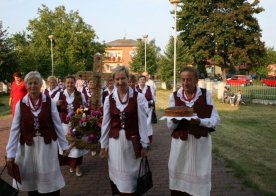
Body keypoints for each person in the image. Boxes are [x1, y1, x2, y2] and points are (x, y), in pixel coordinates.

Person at [6, 71, 70, 196]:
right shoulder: (21, 104)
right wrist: (11, 153)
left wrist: (64, 145)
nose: (33, 85)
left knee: (50, 182)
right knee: (33, 185)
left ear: (41, 84)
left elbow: (57, 124)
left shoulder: (49, 102)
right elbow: (15, 129)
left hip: (47, 146)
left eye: (36, 83)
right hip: (28, 147)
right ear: (26, 85)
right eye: (30, 83)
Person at [167, 66, 220, 196]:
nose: (185, 83)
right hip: (180, 145)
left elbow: (216, 119)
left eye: (189, 80)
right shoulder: (174, 96)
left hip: (200, 144)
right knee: (178, 179)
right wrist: (175, 120)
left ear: (195, 80)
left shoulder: (205, 95)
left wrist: (200, 121)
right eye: (183, 80)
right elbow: (170, 125)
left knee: (199, 180)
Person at [100, 66, 149, 195]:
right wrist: (103, 145)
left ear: (128, 79)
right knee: (118, 178)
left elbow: (143, 123)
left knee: (132, 178)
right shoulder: (109, 99)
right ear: (113, 80)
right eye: (117, 79)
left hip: (132, 144)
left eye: (123, 78)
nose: (120, 82)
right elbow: (106, 124)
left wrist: (144, 144)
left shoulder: (138, 97)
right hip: (115, 144)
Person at [57, 75, 88, 177]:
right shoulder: (59, 95)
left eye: (71, 82)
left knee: (77, 146)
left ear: (74, 83)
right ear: (65, 84)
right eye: (68, 83)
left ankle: (78, 166)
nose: (70, 84)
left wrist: (83, 116)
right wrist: (56, 104)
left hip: (76, 125)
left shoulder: (80, 95)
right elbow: (53, 109)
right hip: (64, 126)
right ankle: (71, 165)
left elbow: (85, 108)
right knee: (67, 147)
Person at [136, 75, 155, 143]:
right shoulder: (136, 88)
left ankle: (148, 140)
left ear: (145, 80)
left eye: (143, 79)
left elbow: (153, 99)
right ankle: (140, 140)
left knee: (148, 124)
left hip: (148, 109)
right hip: (139, 109)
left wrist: (150, 102)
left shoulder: (150, 88)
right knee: (140, 124)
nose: (142, 80)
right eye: (141, 79)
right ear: (138, 80)